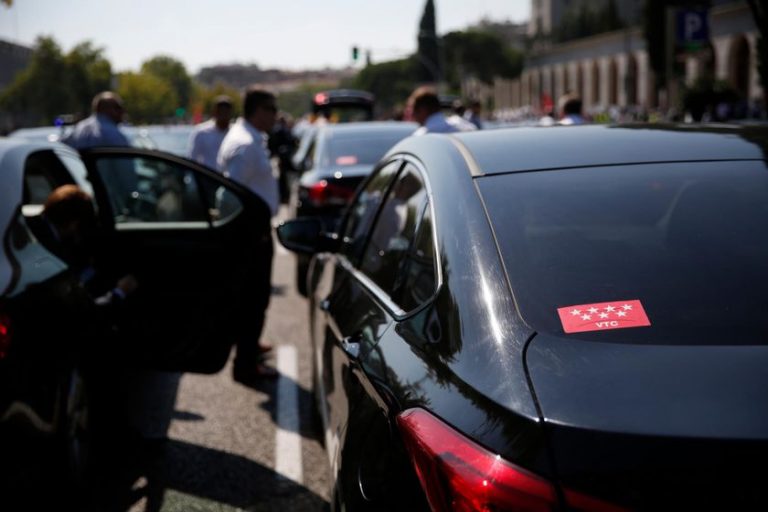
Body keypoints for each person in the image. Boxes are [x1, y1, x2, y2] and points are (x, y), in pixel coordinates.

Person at [217, 87, 279, 382]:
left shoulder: (251, 138)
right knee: (253, 301)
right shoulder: (245, 144)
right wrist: (249, 232)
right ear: (257, 110)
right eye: (271, 108)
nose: (275, 115)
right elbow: (231, 193)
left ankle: (249, 347)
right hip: (249, 232)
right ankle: (245, 365)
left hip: (253, 229)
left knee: (254, 299)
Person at [62, 91, 130, 149]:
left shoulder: (79, 129)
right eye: (118, 107)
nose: (123, 111)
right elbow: (125, 163)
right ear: (104, 108)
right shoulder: (116, 136)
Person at [407, 86, 475, 135]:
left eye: (413, 110)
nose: (412, 115)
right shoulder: (467, 128)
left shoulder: (419, 137)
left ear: (422, 110)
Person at [188, 95, 233, 169]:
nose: (223, 115)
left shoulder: (234, 133)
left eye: (226, 112)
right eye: (221, 111)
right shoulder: (201, 132)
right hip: (206, 177)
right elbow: (193, 158)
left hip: (228, 179)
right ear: (215, 112)